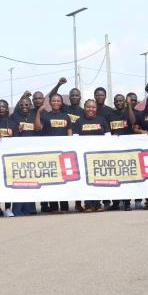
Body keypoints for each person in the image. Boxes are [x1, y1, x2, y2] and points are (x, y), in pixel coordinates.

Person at [48, 78, 85, 212]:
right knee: (60, 175)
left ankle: (78, 202)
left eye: (77, 95)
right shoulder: (65, 109)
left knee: (76, 175)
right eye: (72, 95)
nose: (75, 97)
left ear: (80, 97)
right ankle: (59, 205)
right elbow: (52, 96)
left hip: (77, 145)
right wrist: (58, 84)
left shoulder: (83, 111)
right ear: (69, 98)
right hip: (62, 145)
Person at [35, 93, 72, 213]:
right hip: (50, 154)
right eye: (54, 101)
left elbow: (69, 132)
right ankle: (54, 206)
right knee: (53, 179)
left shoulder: (66, 116)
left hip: (63, 153)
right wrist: (39, 113)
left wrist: (70, 148)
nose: (56, 103)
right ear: (50, 103)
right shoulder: (45, 116)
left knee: (64, 179)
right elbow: (38, 128)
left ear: (61, 102)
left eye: (58, 101)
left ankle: (65, 206)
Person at [72, 99, 110, 212]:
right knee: (86, 181)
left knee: (98, 180)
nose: (91, 109)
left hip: (99, 156)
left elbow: (108, 136)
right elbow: (75, 139)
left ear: (96, 108)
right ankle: (88, 204)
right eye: (88, 107)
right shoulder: (79, 121)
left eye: (93, 107)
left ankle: (98, 204)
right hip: (84, 156)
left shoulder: (102, 120)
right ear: (84, 107)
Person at [106, 94, 136, 211]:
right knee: (115, 177)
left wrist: (129, 106)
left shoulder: (128, 113)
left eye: (121, 101)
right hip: (113, 150)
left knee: (126, 176)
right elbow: (107, 130)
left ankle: (127, 203)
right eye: (116, 101)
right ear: (114, 102)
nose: (118, 103)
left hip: (127, 149)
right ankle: (116, 203)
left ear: (124, 102)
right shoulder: (110, 115)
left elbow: (133, 122)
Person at [10, 97, 38, 216]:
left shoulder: (34, 116)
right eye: (22, 105)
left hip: (32, 152)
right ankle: (17, 209)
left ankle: (30, 208)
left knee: (31, 180)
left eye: (27, 104)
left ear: (30, 105)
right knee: (19, 180)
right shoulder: (14, 117)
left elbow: (40, 130)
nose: (24, 107)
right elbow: (11, 133)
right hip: (18, 153)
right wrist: (17, 131)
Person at [126, 92, 144, 210]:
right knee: (125, 176)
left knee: (138, 175)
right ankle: (125, 202)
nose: (131, 102)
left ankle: (138, 200)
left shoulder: (140, 114)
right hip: (123, 149)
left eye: (133, 100)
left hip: (137, 149)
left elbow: (133, 123)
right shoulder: (120, 112)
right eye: (129, 100)